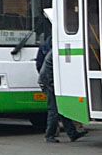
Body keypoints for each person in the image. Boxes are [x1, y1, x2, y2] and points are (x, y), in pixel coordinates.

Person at [37, 14, 86, 143]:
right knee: (53, 109)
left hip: (49, 81)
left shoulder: (56, 50)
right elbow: (52, 72)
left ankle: (73, 133)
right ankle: (49, 135)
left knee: (61, 109)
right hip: (48, 82)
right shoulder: (57, 52)